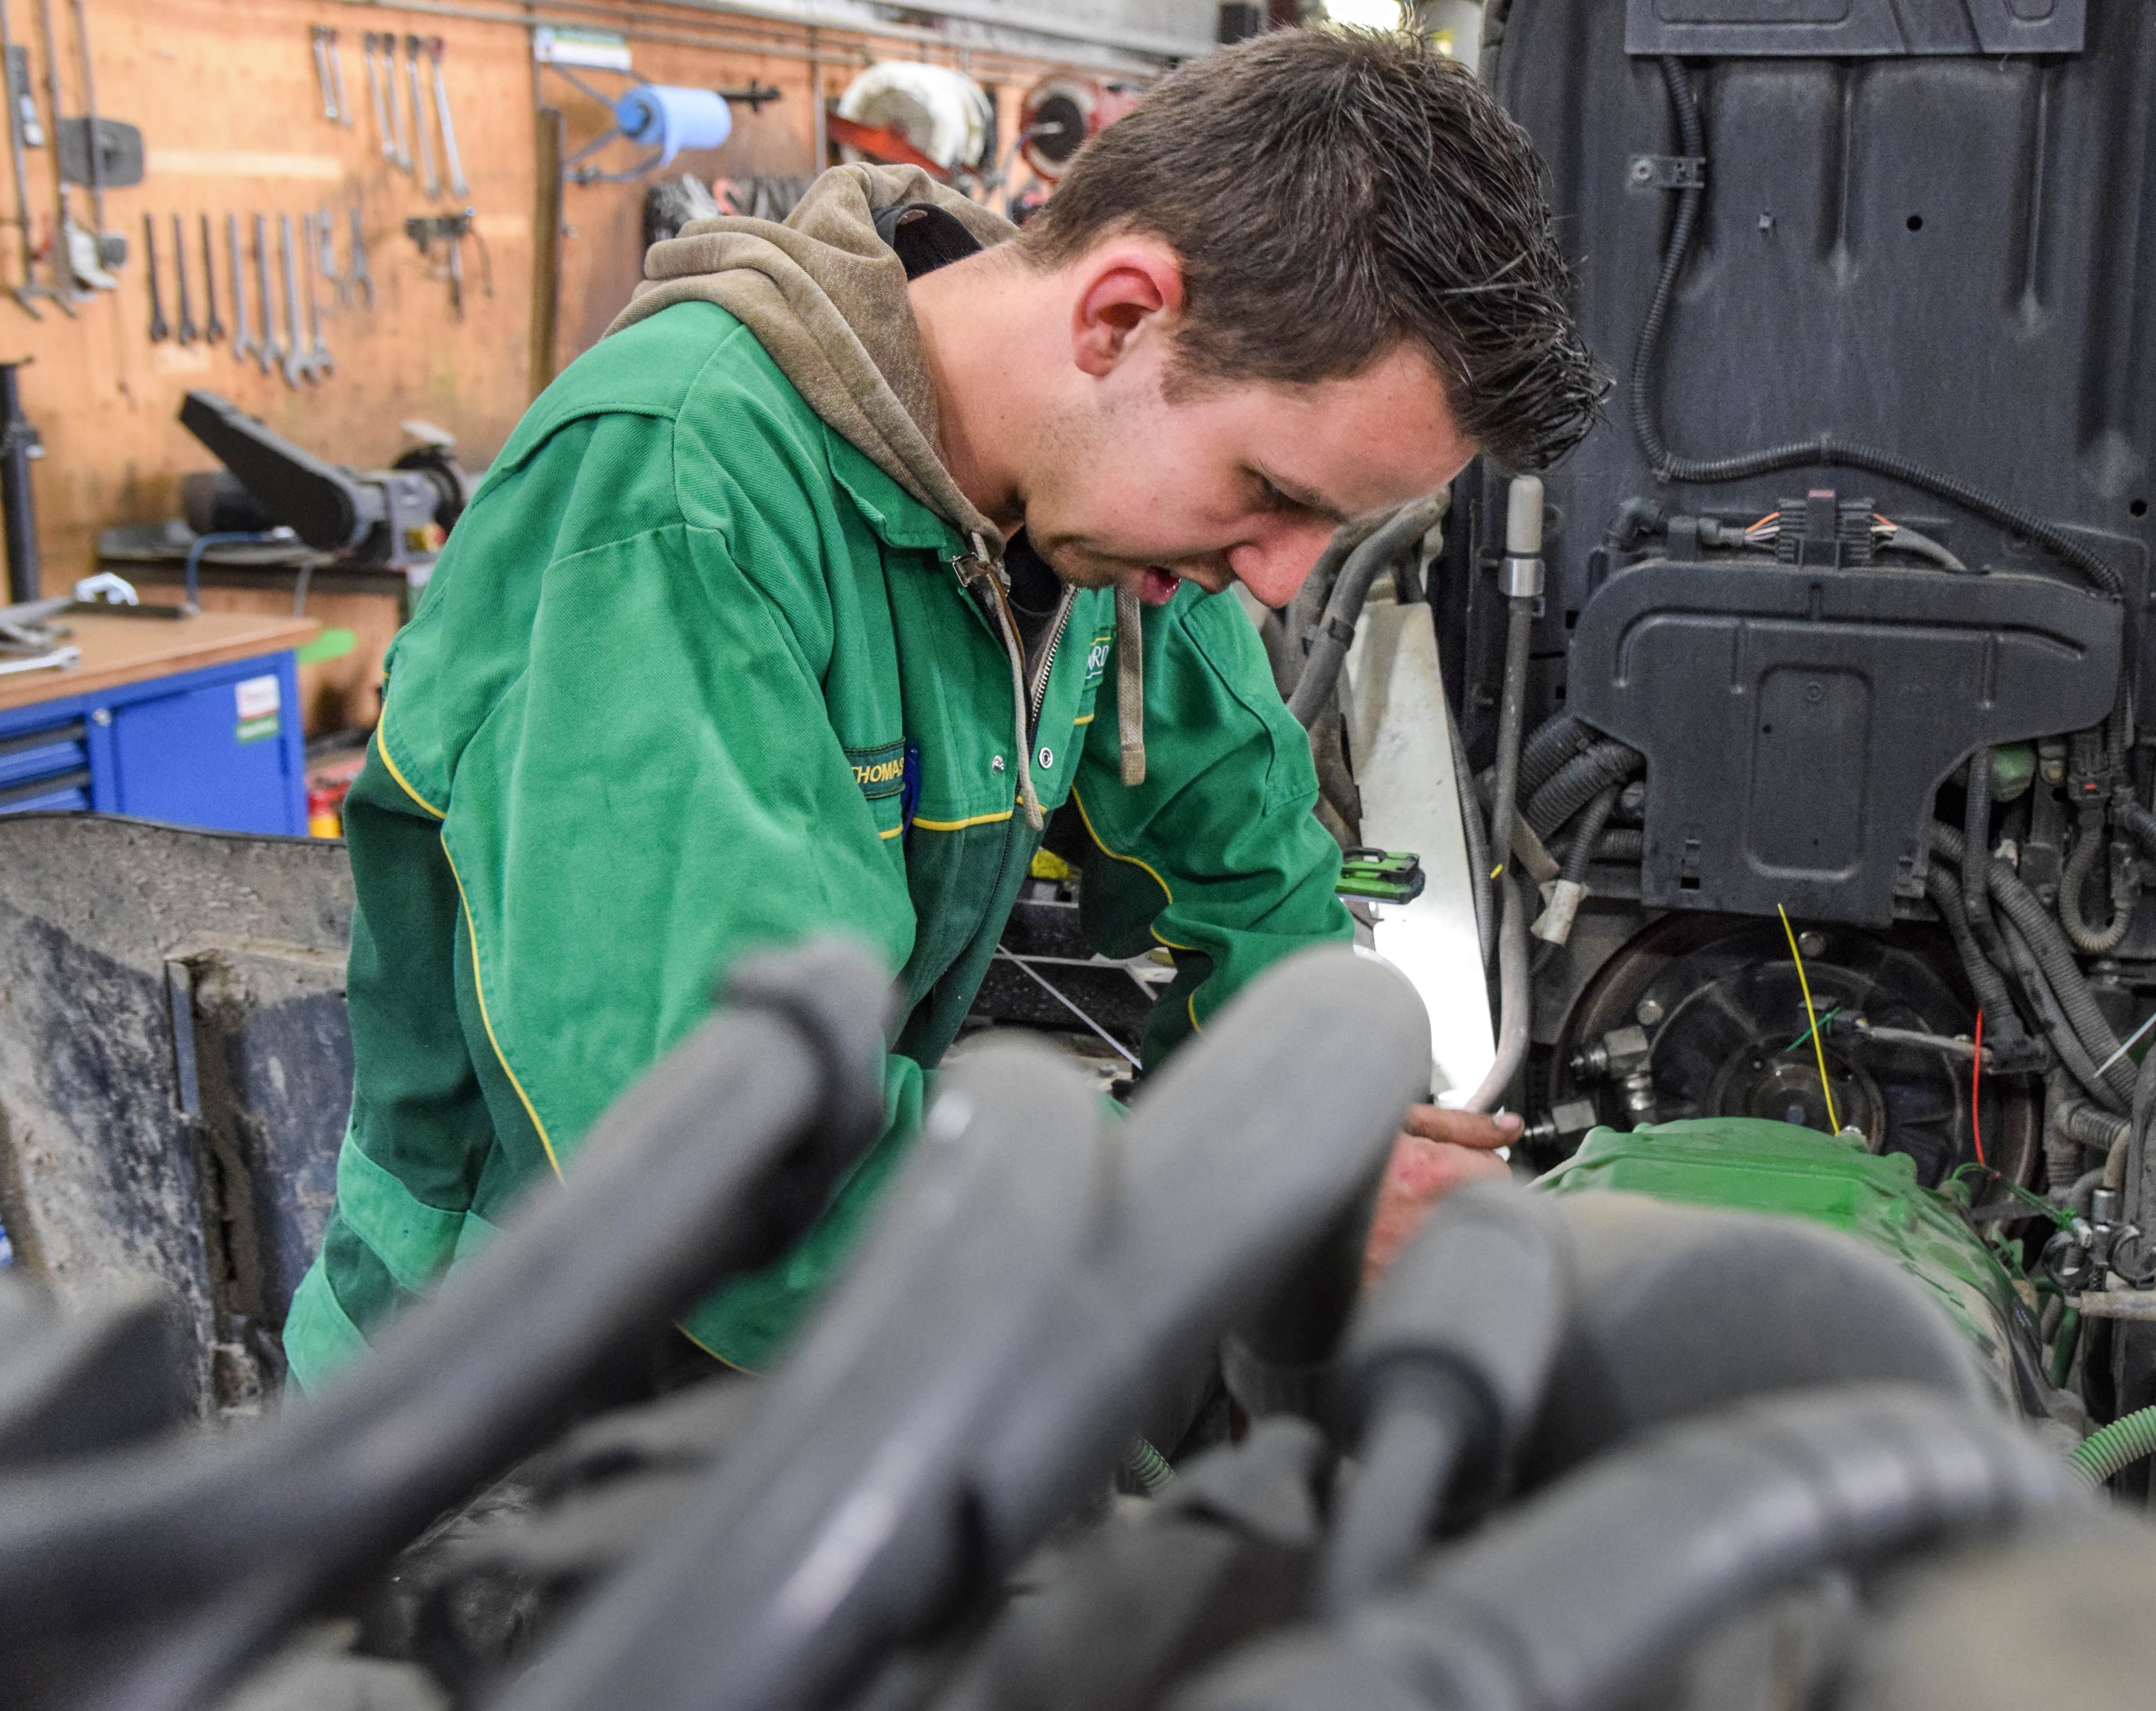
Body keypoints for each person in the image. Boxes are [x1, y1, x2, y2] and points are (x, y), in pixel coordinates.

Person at [283, 28, 1606, 1383]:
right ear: (1120, 317)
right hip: (511, 1406)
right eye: (1275, 493)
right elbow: (705, 1145)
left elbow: (1254, 861)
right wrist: (1223, 1210)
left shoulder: (1096, 504)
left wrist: (1335, 1129)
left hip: (820, 1336)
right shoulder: (676, 499)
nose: (1278, 576)